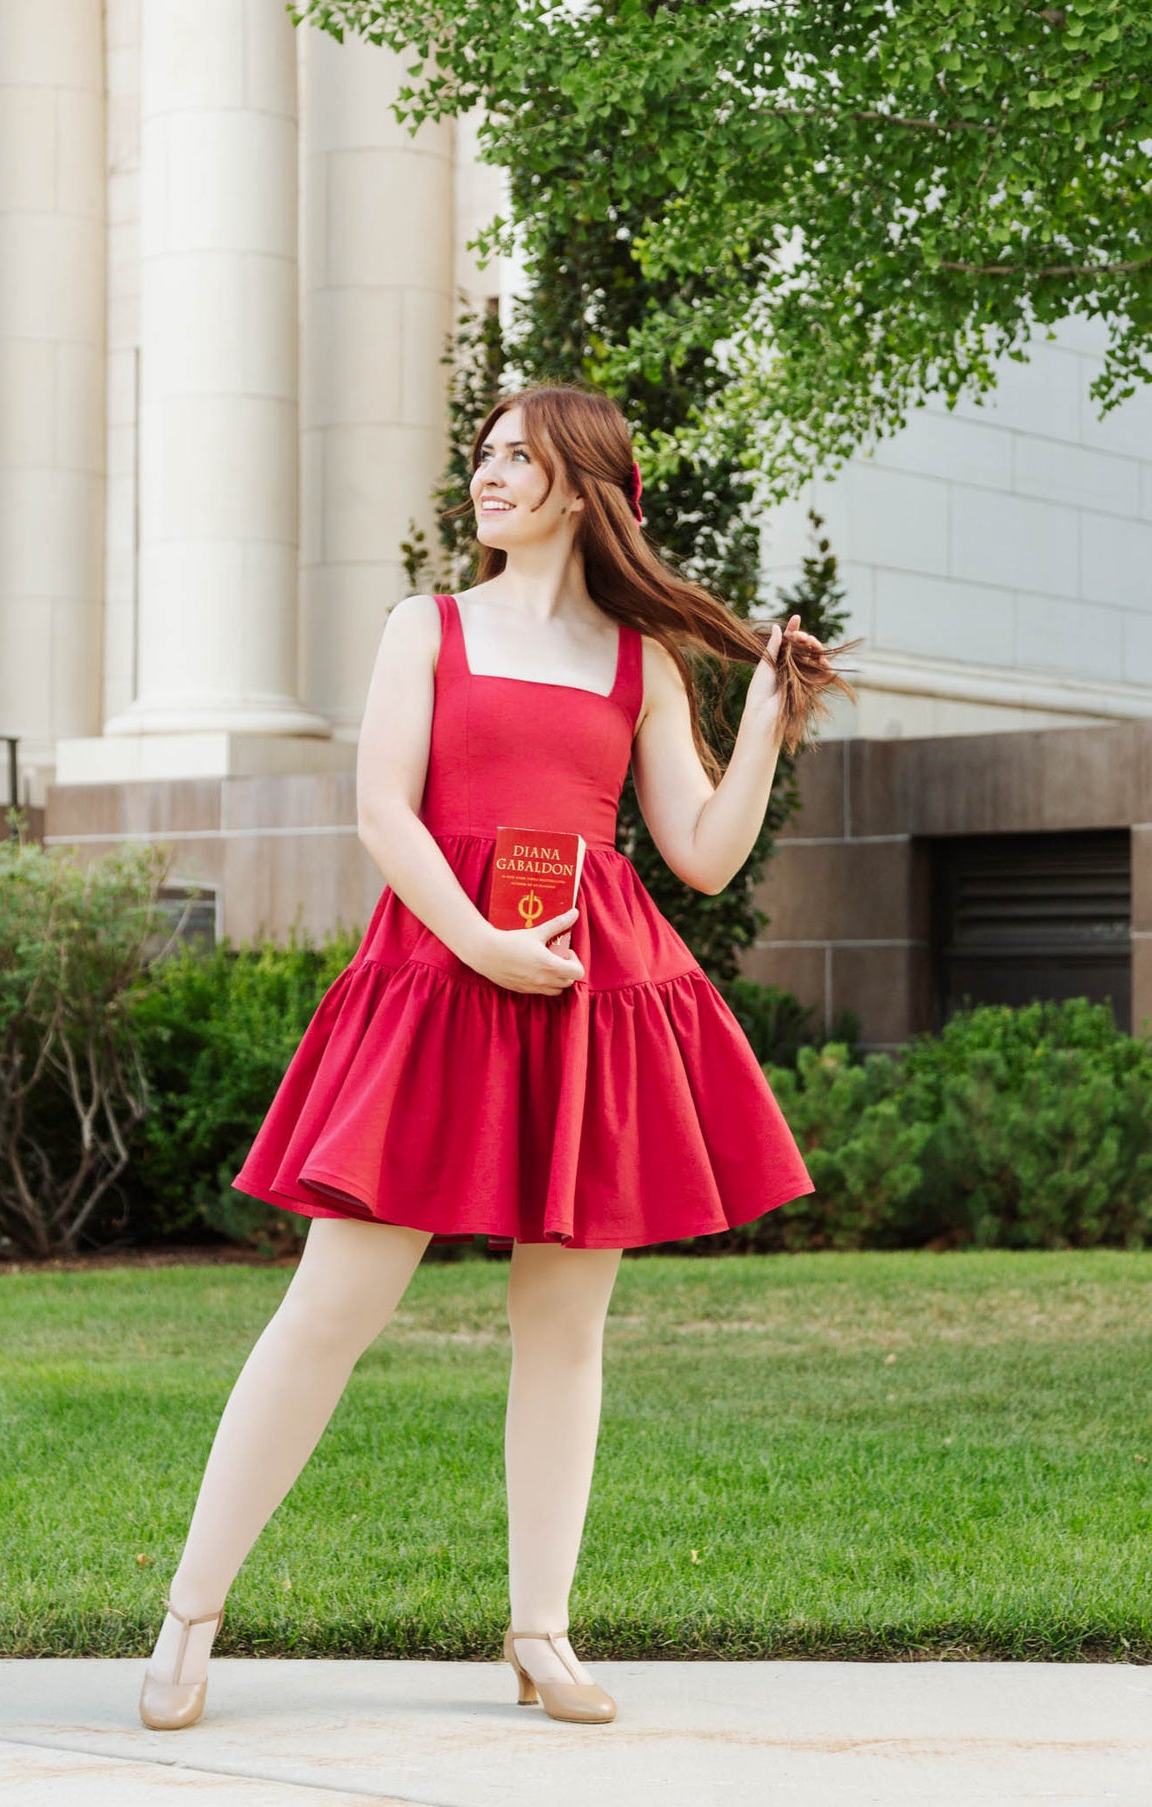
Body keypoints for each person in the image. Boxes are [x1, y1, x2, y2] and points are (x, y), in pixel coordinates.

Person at [139, 382, 856, 1731]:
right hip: (439, 978)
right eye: (482, 454)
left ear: (586, 489)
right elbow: (381, 812)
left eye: (518, 459)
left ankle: (540, 1632)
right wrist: (476, 941)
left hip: (589, 991)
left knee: (563, 1327)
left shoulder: (641, 660)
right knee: (329, 1313)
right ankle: (188, 1615)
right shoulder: (428, 626)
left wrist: (762, 722)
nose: (487, 474)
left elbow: (696, 854)